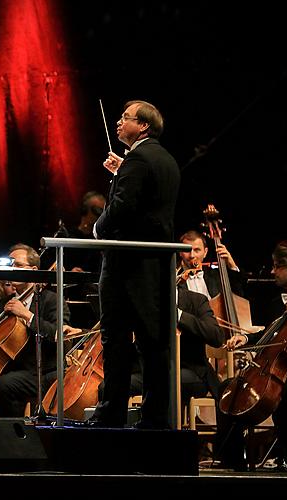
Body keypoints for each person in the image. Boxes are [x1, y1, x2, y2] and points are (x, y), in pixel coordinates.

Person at [89, 100, 180, 429]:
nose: (118, 122)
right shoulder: (164, 158)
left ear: (143, 126)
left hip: (126, 267)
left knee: (115, 341)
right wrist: (120, 173)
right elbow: (148, 205)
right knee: (153, 344)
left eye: (125, 118)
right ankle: (155, 418)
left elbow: (124, 209)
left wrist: (98, 228)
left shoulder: (138, 158)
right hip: (154, 268)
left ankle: (110, 413)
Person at [217, 241, 287, 472]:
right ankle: (233, 459)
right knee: (229, 387)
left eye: (278, 266)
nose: (272, 271)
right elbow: (270, 332)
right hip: (281, 371)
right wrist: (246, 339)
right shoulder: (278, 303)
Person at [0, 243, 70, 417]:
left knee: (4, 385)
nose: (12, 269)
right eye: (10, 265)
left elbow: (58, 334)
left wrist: (27, 315)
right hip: (15, 370)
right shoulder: (4, 304)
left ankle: (17, 432)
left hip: (45, 372)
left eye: (17, 265)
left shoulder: (52, 300)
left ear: (33, 269)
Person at [178, 230, 246, 299]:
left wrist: (232, 266)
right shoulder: (174, 278)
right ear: (180, 252)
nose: (192, 255)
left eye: (197, 250)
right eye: (187, 250)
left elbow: (239, 295)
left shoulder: (216, 275)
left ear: (205, 252)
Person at [68, 191, 106, 273]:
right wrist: (68, 271)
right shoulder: (68, 236)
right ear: (84, 209)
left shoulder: (101, 240)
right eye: (96, 210)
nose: (99, 216)